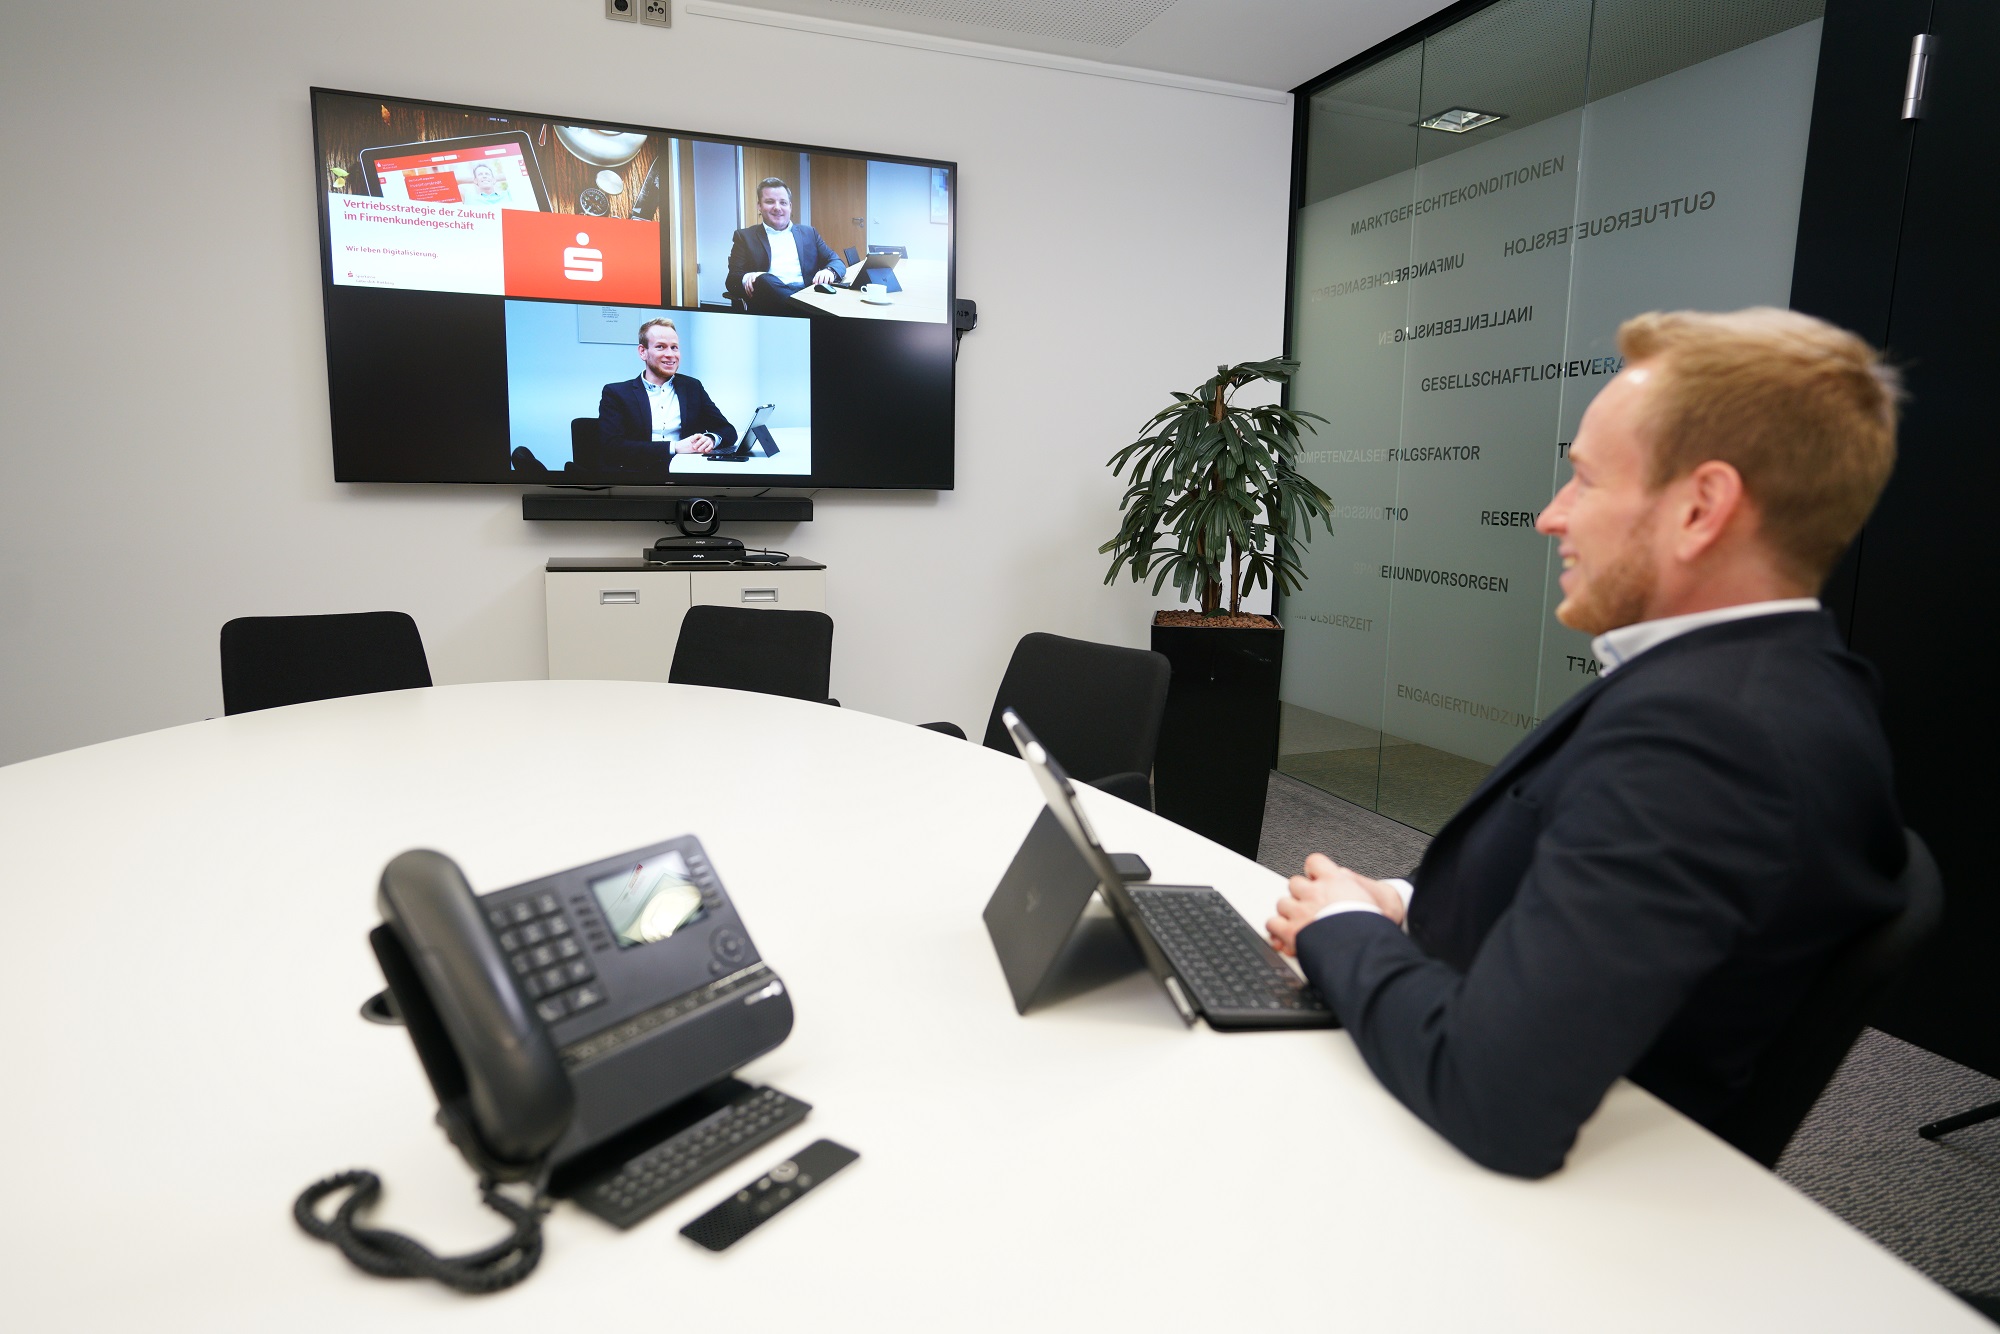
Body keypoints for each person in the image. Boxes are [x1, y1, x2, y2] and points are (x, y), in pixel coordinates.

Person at [1266, 307, 1907, 1178]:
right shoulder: (1742, 679)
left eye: (1586, 482)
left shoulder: (1713, 737)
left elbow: (1497, 1098)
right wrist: (1403, 905)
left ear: (1701, 508)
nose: (1550, 517)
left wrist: (1341, 931)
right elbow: (1573, 871)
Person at [596, 317, 736, 474]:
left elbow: (728, 430)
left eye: (674, 347)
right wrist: (675, 447)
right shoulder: (616, 393)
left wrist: (710, 439)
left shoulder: (692, 387)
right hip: (639, 477)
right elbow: (612, 447)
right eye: (661, 347)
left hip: (686, 474)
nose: (670, 355)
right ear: (643, 352)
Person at [724, 178, 845, 316]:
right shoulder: (745, 237)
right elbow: (732, 280)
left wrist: (829, 271)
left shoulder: (809, 233)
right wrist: (749, 277)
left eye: (783, 202)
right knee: (764, 279)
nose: (777, 207)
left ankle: (801, 310)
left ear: (790, 206)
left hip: (807, 294)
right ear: (759, 206)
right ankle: (807, 313)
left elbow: (836, 261)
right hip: (770, 305)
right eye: (770, 202)